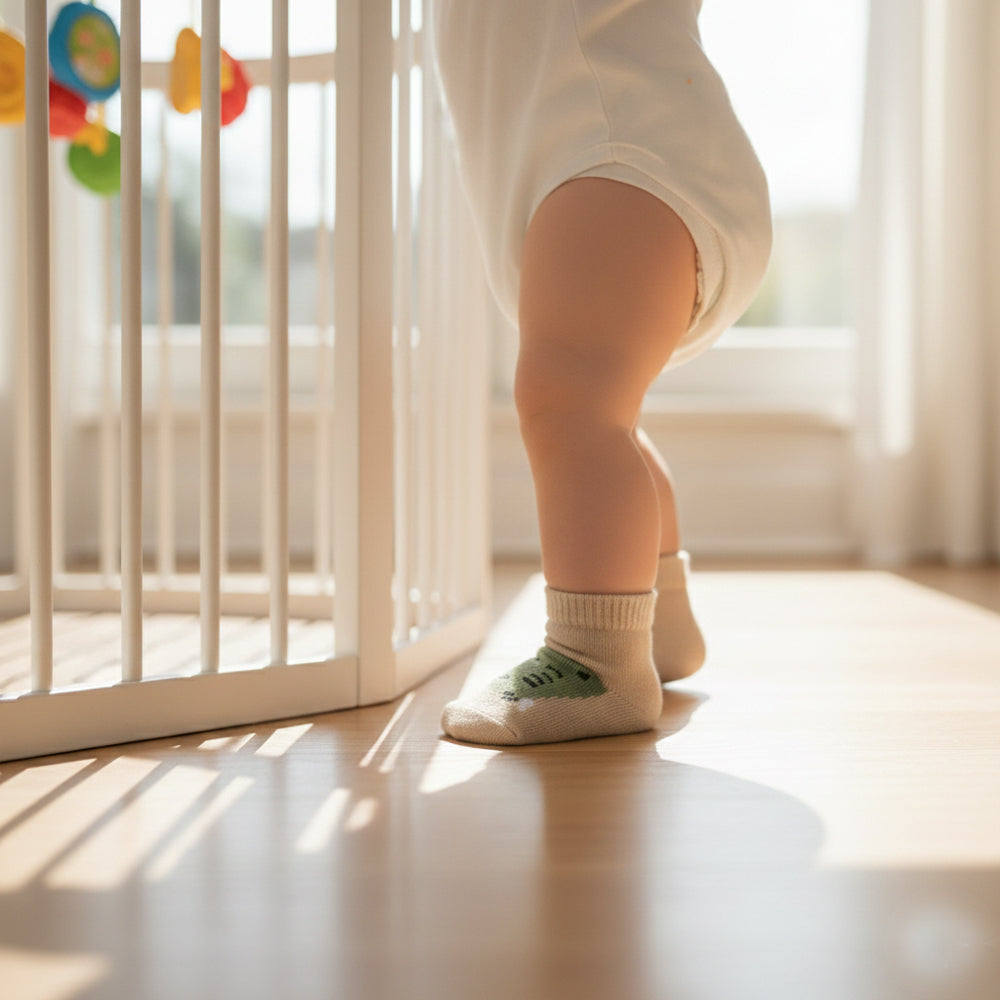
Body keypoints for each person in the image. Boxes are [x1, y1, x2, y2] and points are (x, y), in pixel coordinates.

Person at [432, 0, 772, 745]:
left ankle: (597, 660)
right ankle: (657, 621)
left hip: (622, 153)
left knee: (573, 406)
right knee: (595, 414)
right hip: (607, 156)